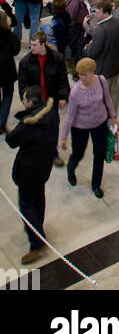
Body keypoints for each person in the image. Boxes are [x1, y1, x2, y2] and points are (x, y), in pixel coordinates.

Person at [5, 85, 60, 266]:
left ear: (30, 102)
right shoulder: (50, 115)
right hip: (44, 166)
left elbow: (12, 141)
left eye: (24, 99)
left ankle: (37, 241)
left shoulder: (29, 123)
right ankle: (38, 227)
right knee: (39, 197)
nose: (23, 101)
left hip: (28, 170)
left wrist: (9, 130)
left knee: (26, 204)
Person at [60, 56, 116, 200]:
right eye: (79, 74)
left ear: (92, 72)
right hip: (80, 126)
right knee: (78, 153)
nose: (81, 77)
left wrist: (113, 116)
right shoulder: (75, 92)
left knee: (99, 154)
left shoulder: (101, 81)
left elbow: (107, 99)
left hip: (100, 122)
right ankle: (70, 169)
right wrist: (63, 137)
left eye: (84, 74)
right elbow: (70, 116)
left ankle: (96, 184)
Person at [85, 0, 119, 108]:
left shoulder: (101, 29)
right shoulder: (118, 22)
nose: (95, 14)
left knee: (102, 97)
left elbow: (92, 52)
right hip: (115, 67)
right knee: (113, 94)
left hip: (102, 69)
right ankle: (113, 120)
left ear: (106, 13)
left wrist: (87, 48)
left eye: (98, 12)